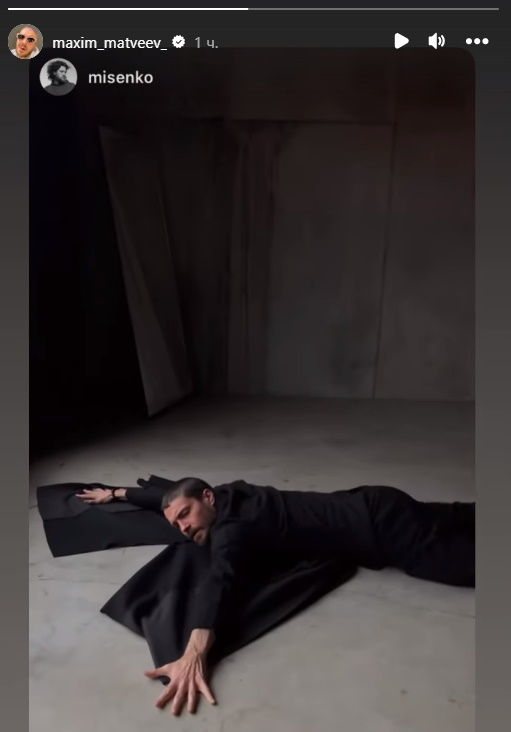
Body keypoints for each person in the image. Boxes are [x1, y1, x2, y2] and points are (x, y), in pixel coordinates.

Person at [76, 477, 475, 716]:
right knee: (456, 516)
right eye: (176, 523)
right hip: (374, 500)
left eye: (185, 516)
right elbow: (169, 494)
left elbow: (219, 582)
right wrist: (117, 493)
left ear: (209, 498)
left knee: (467, 566)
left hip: (384, 530)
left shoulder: (234, 527)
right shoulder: (226, 495)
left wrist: (193, 653)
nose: (183, 528)